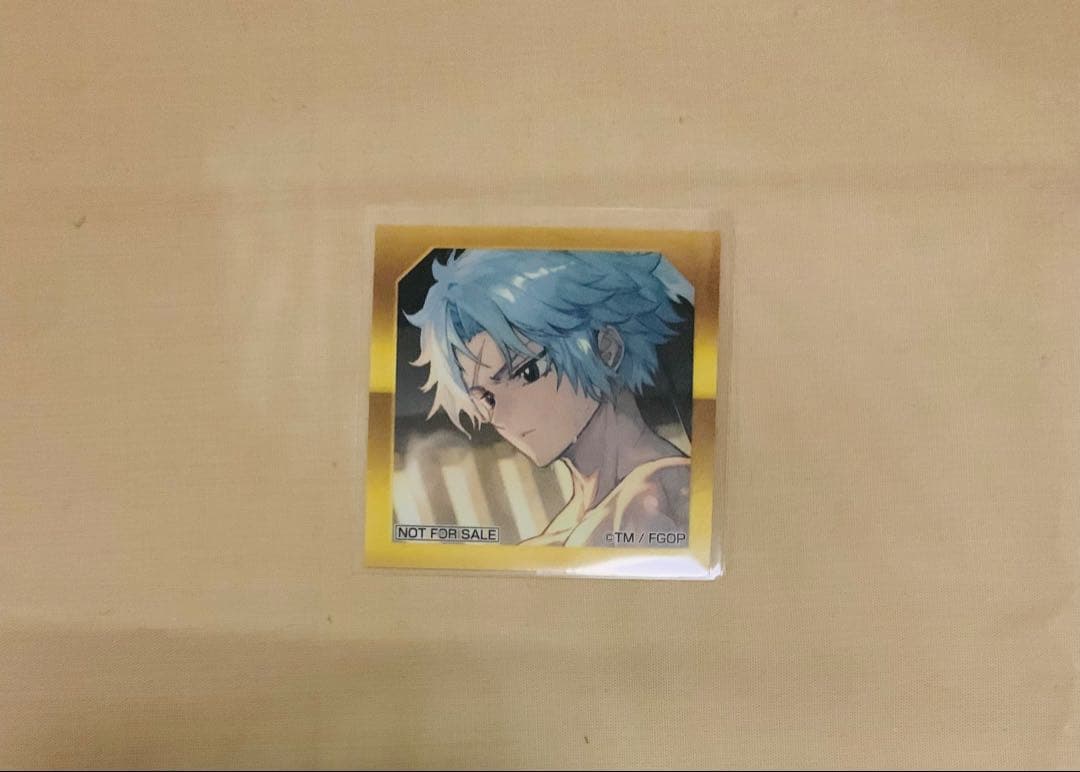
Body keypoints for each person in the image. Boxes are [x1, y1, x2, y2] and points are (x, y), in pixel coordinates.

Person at [406, 249, 692, 547]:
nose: (501, 415)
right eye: (487, 398)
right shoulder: (575, 522)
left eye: (527, 372)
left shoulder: (657, 493)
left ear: (606, 349)